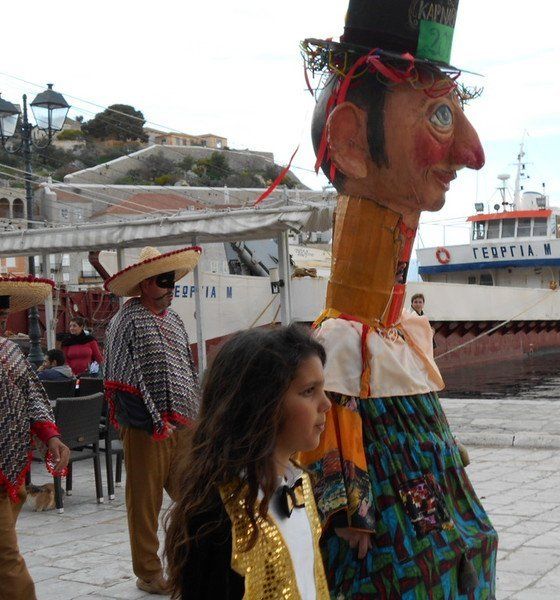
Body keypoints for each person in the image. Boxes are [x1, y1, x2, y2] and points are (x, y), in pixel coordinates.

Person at [298, 2, 498, 597]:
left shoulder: (391, 339)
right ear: (353, 141)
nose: (472, 151)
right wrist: (349, 511)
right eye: (440, 115)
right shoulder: (341, 350)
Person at [164, 326, 332, 600]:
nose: (325, 403)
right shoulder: (218, 517)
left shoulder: (300, 487)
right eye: (309, 391)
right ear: (262, 404)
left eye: (322, 388)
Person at [103, 246, 202, 595]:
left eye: (172, 281)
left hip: (183, 426)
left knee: (195, 496)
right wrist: (151, 419)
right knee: (145, 503)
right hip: (147, 427)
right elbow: (118, 374)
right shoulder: (126, 320)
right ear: (145, 284)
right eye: (163, 281)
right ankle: (148, 572)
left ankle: (191, 560)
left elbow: (186, 372)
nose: (170, 287)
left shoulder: (175, 321)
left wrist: (196, 416)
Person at [0, 275, 70, 600]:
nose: (1, 325)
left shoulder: (10, 351)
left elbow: (34, 397)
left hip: (12, 468)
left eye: (2, 318)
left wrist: (51, 436)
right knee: (6, 557)